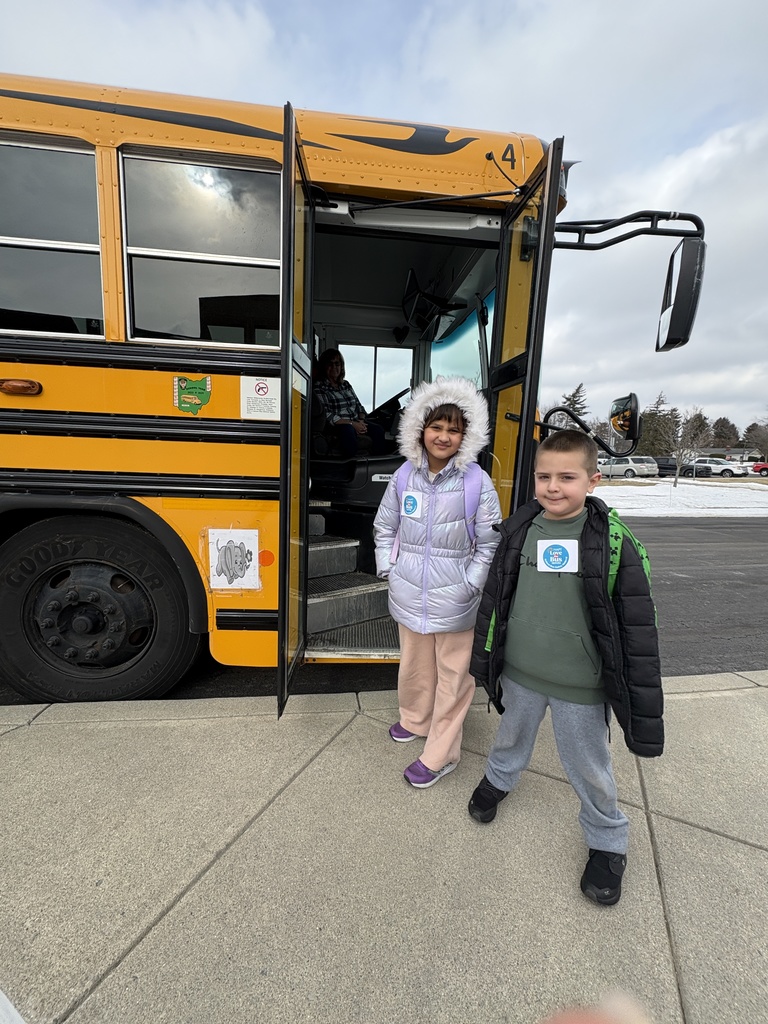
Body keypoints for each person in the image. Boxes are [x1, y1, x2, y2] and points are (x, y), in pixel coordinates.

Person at [467, 429, 663, 905]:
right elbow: (497, 600)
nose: (553, 487)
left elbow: (636, 628)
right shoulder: (519, 530)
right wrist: (490, 656)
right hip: (522, 672)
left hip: (581, 683)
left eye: (567, 477)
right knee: (512, 734)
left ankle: (607, 839)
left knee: (587, 763)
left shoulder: (614, 542)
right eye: (544, 476)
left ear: (593, 480)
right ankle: (498, 779)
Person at [373, 376, 501, 788]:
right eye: (436, 427)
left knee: (453, 677)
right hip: (408, 589)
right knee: (413, 665)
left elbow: (489, 543)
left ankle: (442, 753)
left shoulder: (477, 482)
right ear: (420, 429)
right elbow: (384, 528)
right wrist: (388, 570)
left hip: (456, 599)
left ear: (466, 435)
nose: (443, 436)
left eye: (454, 429)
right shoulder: (403, 476)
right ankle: (415, 719)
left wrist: (470, 584)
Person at [312, 348, 386, 457]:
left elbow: (359, 406)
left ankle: (376, 465)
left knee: (378, 430)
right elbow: (327, 414)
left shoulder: (346, 385)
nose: (334, 367)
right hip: (337, 426)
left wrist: (360, 422)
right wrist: (352, 424)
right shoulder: (319, 386)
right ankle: (352, 466)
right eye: (330, 364)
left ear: (341, 366)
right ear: (324, 367)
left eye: (337, 364)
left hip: (355, 421)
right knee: (348, 431)